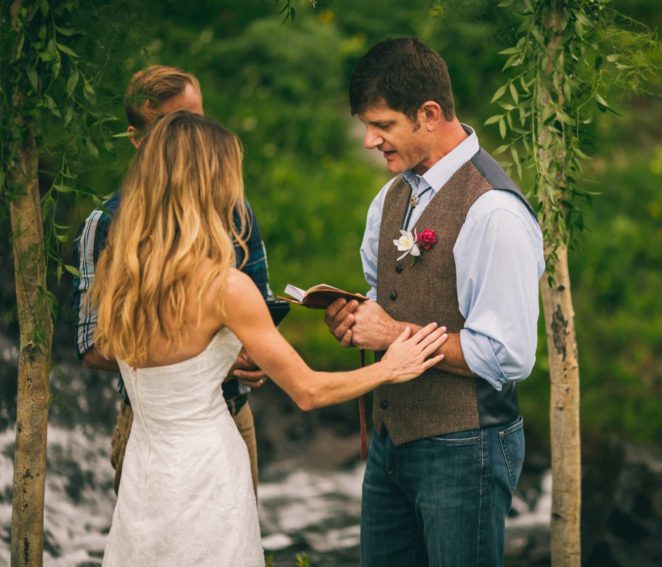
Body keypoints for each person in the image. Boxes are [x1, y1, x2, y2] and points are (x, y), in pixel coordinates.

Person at [92, 111, 448, 566]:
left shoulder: (119, 272)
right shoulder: (224, 287)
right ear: (208, 183)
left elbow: (130, 357)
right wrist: (388, 368)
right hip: (205, 474)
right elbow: (308, 391)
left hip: (145, 471)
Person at [324, 37, 545, 566]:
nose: (368, 141)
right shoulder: (390, 197)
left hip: (467, 448)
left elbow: (508, 356)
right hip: (391, 443)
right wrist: (358, 319)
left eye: (381, 125)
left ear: (428, 114)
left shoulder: (494, 212)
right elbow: (385, 294)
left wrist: (391, 335)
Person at [71, 65, 270, 495]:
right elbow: (91, 345)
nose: (190, 136)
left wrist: (255, 357)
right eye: (173, 125)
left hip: (233, 417)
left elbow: (261, 303)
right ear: (137, 137)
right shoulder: (105, 224)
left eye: (195, 120)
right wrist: (202, 361)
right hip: (150, 427)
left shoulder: (237, 211)